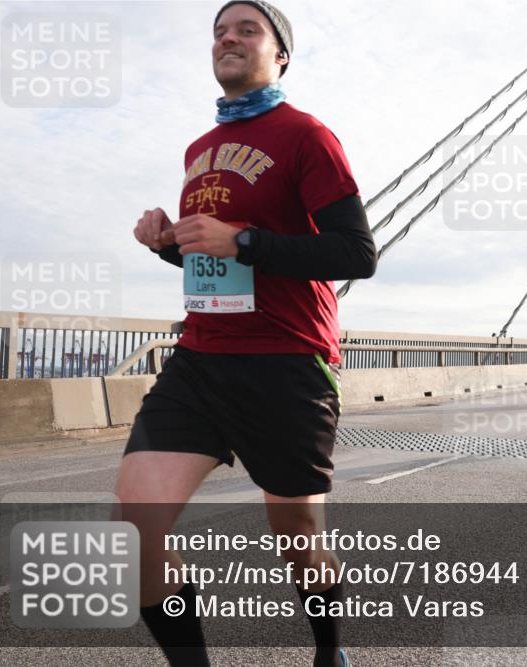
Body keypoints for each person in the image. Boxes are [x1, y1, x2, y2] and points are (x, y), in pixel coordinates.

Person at [122, 3, 375, 665]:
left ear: (281, 55)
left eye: (247, 29)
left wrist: (249, 240)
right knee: (134, 528)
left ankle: (330, 651)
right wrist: (167, 246)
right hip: (201, 359)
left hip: (288, 360)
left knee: (296, 529)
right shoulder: (198, 151)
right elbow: (219, 262)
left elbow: (355, 254)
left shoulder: (307, 136)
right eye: (218, 31)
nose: (227, 37)